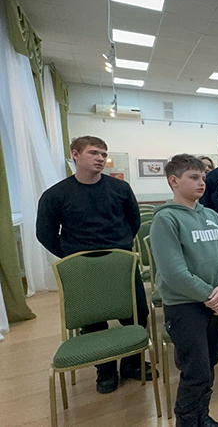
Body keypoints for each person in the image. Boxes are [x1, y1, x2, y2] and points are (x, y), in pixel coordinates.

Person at [36, 136, 152, 394]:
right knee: (93, 321)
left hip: (120, 262)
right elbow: (45, 233)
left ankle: (132, 364)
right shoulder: (56, 194)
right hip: (83, 266)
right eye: (94, 153)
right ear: (75, 154)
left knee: (137, 313)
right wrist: (72, 254)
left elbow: (133, 221)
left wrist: (119, 247)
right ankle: (106, 370)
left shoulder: (120, 189)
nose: (101, 158)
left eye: (103, 153)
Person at [150, 154, 218, 426]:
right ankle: (186, 421)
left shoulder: (210, 215)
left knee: (209, 365)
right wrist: (212, 296)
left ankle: (202, 416)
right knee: (195, 371)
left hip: (215, 300)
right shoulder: (166, 220)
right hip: (186, 307)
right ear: (174, 181)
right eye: (194, 177)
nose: (202, 183)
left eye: (203, 178)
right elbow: (174, 273)